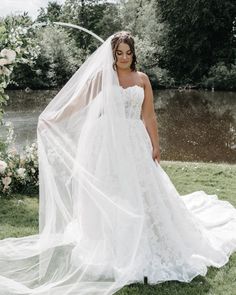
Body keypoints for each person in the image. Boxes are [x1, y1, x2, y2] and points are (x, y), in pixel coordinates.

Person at [0, 31, 236, 295]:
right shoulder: (103, 76)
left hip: (134, 141)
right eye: (119, 53)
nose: (124, 57)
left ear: (134, 54)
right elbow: (79, 102)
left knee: (142, 190)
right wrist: (53, 117)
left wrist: (156, 145)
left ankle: (149, 239)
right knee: (111, 190)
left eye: (128, 52)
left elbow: (149, 117)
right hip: (107, 143)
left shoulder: (142, 79)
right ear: (112, 55)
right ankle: (110, 242)